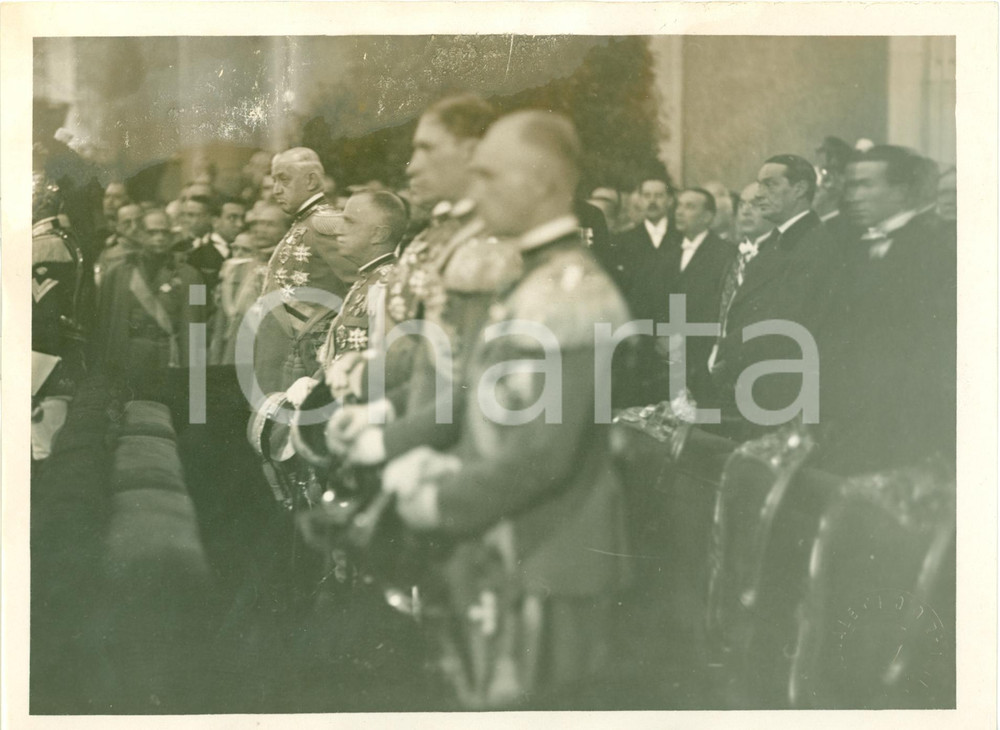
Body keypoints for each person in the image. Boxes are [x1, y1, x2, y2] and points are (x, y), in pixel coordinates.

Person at [377, 111, 631, 706]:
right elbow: (493, 411)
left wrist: (439, 499)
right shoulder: (533, 279)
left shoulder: (574, 292)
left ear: (540, 182)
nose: (477, 187)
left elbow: (543, 454)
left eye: (490, 175)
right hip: (509, 545)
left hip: (550, 560)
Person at [816, 145, 955, 475]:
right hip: (852, 418)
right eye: (850, 186)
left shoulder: (936, 248)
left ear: (902, 191)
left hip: (908, 424)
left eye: (866, 185)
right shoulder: (852, 249)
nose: (853, 196)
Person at [708, 154, 839, 440]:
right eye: (759, 185)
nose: (759, 194)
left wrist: (728, 356)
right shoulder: (779, 242)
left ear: (801, 189)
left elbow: (785, 320)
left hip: (781, 389)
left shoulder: (814, 245)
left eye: (770, 184)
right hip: (757, 382)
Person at [251, 147, 356, 396]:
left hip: (303, 363)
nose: (276, 189)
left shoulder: (324, 224)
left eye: (283, 179)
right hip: (283, 355)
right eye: (274, 180)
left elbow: (361, 288)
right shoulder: (305, 222)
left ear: (310, 180)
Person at [93, 209, 204, 375]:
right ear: (140, 235)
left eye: (164, 232)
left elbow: (196, 329)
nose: (159, 238)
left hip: (169, 359)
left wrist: (192, 373)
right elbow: (104, 324)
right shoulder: (118, 273)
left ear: (172, 236)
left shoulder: (192, 276)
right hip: (128, 357)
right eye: (152, 232)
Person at [656, 187, 736, 404]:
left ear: (708, 217)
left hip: (700, 356)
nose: (680, 212)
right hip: (663, 357)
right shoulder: (667, 252)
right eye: (679, 205)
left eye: (690, 207)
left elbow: (720, 307)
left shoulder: (725, 254)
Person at [603, 175, 682, 321]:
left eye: (659, 196)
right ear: (640, 201)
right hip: (638, 323)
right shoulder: (622, 241)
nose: (652, 201)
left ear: (670, 201)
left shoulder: (682, 238)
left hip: (676, 321)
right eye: (647, 196)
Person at [188, 198, 246, 297]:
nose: (240, 224)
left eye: (242, 218)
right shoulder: (198, 256)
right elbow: (196, 300)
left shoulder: (248, 253)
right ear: (215, 221)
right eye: (232, 218)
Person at [94, 203, 144, 288]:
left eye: (139, 221)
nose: (135, 227)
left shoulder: (156, 250)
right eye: (127, 223)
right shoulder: (108, 257)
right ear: (118, 227)